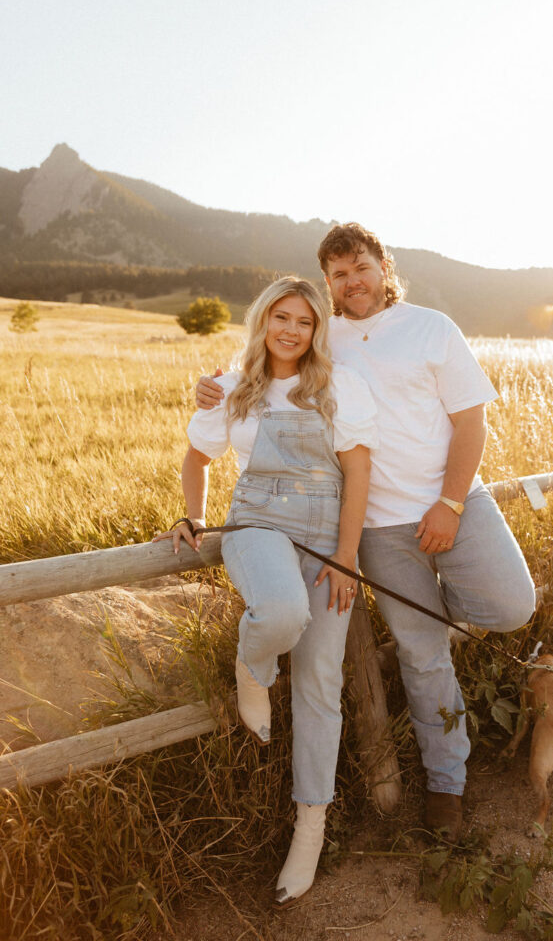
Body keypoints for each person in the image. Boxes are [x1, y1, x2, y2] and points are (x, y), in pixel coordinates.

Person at [195, 224, 536, 842]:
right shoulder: (328, 343)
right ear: (329, 284)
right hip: (378, 529)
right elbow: (267, 369)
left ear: (384, 266)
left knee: (513, 605)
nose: (352, 283)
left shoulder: (432, 327)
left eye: (361, 267)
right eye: (339, 275)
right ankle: (447, 786)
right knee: (422, 653)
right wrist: (212, 386)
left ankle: (442, 634)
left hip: (452, 504)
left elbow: (471, 422)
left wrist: (451, 502)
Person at [154, 275, 376, 904]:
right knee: (279, 612)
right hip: (257, 523)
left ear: (316, 331)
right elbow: (198, 456)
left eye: (304, 322)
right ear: (263, 320)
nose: (291, 330)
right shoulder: (229, 386)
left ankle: (310, 829)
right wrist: (193, 514)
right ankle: (253, 666)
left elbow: (358, 469)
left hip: (326, 534)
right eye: (281, 316)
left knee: (318, 684)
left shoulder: (339, 386)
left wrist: (346, 555)